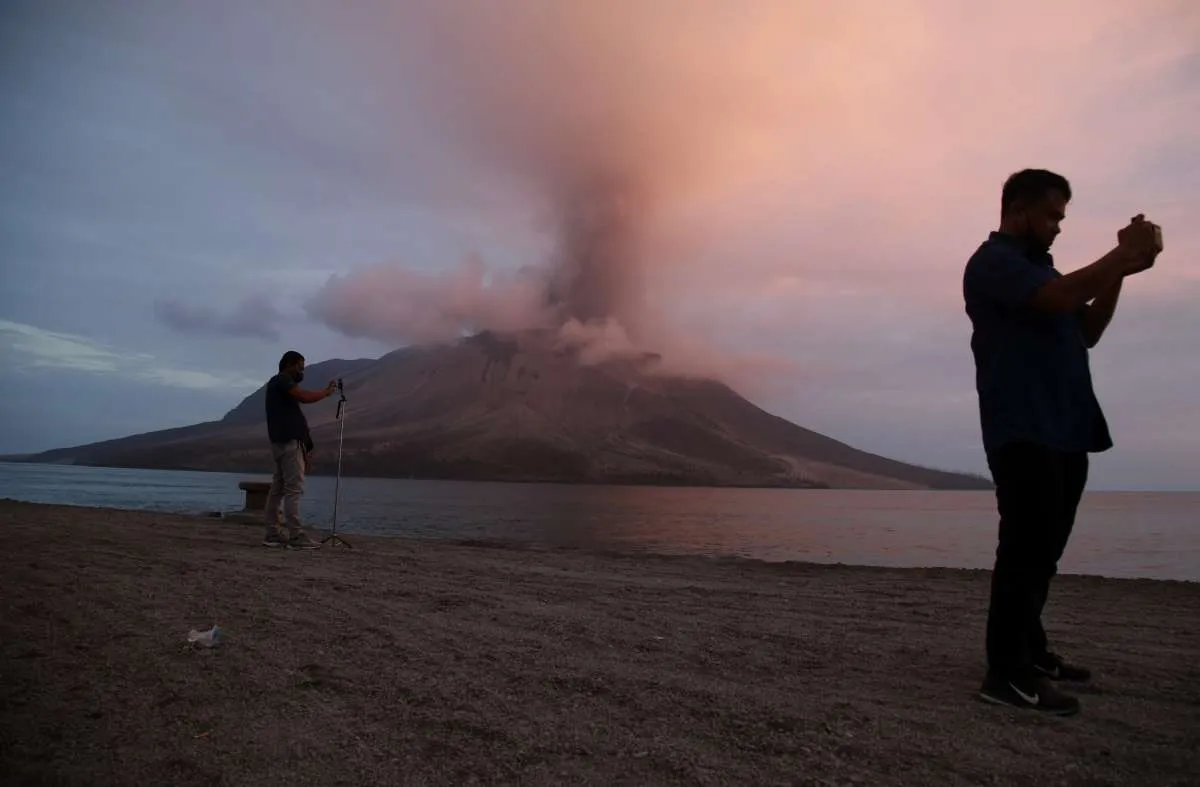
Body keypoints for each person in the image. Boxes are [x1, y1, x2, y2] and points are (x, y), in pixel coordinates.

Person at [962, 169, 1162, 716]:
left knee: (1044, 553)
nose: (1057, 226)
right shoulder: (993, 263)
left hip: (1067, 427)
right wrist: (1120, 256)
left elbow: (1087, 330)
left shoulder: (1045, 271)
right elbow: (1057, 298)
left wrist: (1123, 271)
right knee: (1024, 551)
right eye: (1052, 215)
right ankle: (1006, 676)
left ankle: (1031, 651)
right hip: (1023, 428)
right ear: (1019, 210)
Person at [262, 350, 337, 549]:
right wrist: (326, 392)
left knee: (278, 489)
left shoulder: (279, 388)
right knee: (293, 490)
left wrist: (307, 448)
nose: (301, 372)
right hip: (288, 443)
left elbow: (296, 416)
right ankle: (296, 536)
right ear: (288, 365)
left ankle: (272, 534)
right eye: (299, 367)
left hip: (283, 442)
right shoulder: (281, 381)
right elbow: (304, 396)